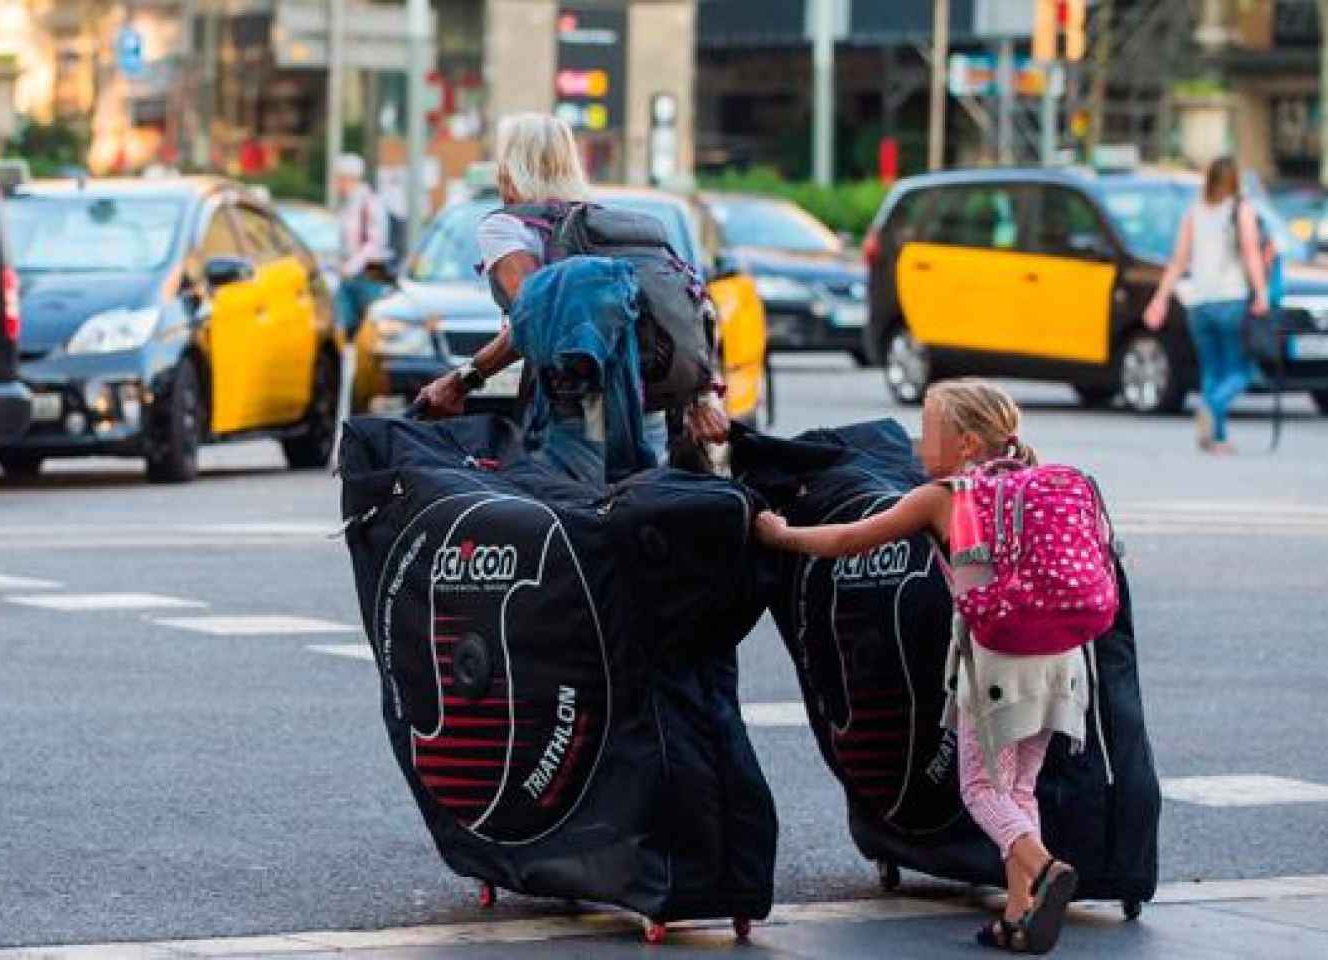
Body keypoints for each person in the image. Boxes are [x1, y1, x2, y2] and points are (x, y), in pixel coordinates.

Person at [754, 379, 1086, 955]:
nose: (917, 445)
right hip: (1063, 658)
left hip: (998, 662)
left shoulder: (946, 496)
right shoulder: (1040, 483)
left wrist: (782, 535)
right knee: (1019, 787)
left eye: (929, 432)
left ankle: (1043, 866)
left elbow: (846, 539)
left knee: (982, 788)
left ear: (964, 445)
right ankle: (1017, 915)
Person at [413, 112, 727, 469]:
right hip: (645, 406)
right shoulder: (599, 224)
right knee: (636, 511)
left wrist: (460, 381)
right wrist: (702, 396)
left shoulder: (506, 227)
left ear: (509, 165)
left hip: (581, 412)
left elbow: (535, 323)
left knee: (568, 514)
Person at [1143, 157, 1270, 454]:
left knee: (1212, 371)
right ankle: (1213, 408)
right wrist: (1262, 292)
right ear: (1235, 180)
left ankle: (1217, 438)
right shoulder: (1241, 209)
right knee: (1243, 370)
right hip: (1231, 299)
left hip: (1198, 304)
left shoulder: (1194, 213)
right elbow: (1252, 253)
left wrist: (1159, 299)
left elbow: (1178, 261)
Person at [333, 153, 393, 336]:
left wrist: (350, 266)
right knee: (345, 325)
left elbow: (376, 243)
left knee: (370, 326)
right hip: (351, 272)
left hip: (371, 271)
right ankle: (349, 360)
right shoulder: (348, 205)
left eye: (339, 179)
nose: (336, 185)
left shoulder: (371, 203)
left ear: (349, 179)